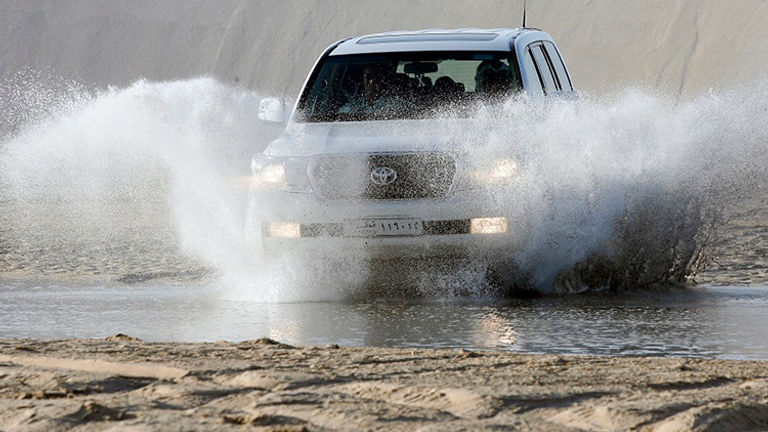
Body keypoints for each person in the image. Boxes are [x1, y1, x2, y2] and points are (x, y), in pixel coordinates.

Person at [338, 64, 407, 115]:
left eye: (375, 77)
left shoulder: (393, 105)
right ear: (363, 80)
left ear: (381, 80)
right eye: (368, 77)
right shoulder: (352, 106)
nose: (372, 81)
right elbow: (339, 117)